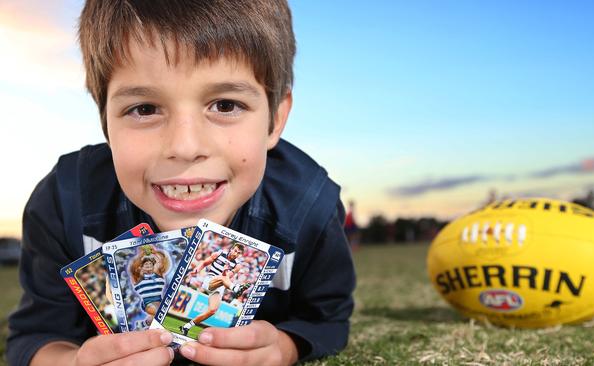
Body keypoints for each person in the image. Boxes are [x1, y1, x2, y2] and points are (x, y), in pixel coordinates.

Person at [6, 1, 356, 365]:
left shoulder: (310, 207)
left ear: (275, 119)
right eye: (144, 109)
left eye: (224, 105)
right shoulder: (64, 204)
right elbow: (35, 339)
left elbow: (328, 321)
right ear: (106, 123)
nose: (185, 148)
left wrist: (285, 346)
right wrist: (72, 362)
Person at [179, 241, 251, 336]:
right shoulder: (219, 253)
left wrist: (225, 270)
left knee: (212, 310)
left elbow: (227, 277)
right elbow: (204, 263)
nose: (236, 254)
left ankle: (186, 326)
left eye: (238, 253)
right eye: (235, 251)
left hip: (220, 286)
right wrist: (197, 270)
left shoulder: (237, 265)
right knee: (222, 278)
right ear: (231, 249)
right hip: (209, 280)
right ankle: (236, 289)